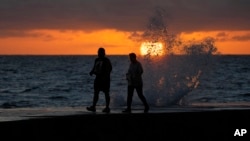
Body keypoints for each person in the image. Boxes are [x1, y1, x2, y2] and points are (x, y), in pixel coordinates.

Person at [87, 47, 112, 113]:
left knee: (106, 93)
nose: (98, 53)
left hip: (105, 80)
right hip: (98, 79)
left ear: (103, 53)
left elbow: (109, 69)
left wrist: (105, 76)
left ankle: (107, 107)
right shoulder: (97, 60)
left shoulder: (106, 60)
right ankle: (93, 106)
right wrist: (92, 72)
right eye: (98, 52)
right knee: (96, 93)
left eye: (99, 52)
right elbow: (95, 67)